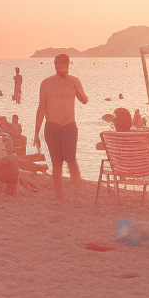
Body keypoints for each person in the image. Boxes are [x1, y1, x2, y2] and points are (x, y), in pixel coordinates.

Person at [34, 53, 88, 202]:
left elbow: (84, 100)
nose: (59, 66)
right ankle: (59, 196)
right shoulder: (46, 83)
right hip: (52, 127)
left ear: (68, 64)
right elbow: (41, 109)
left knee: (71, 160)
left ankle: (78, 192)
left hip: (69, 126)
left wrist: (76, 88)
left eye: (62, 64)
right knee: (56, 163)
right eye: (57, 64)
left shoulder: (74, 81)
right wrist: (36, 133)